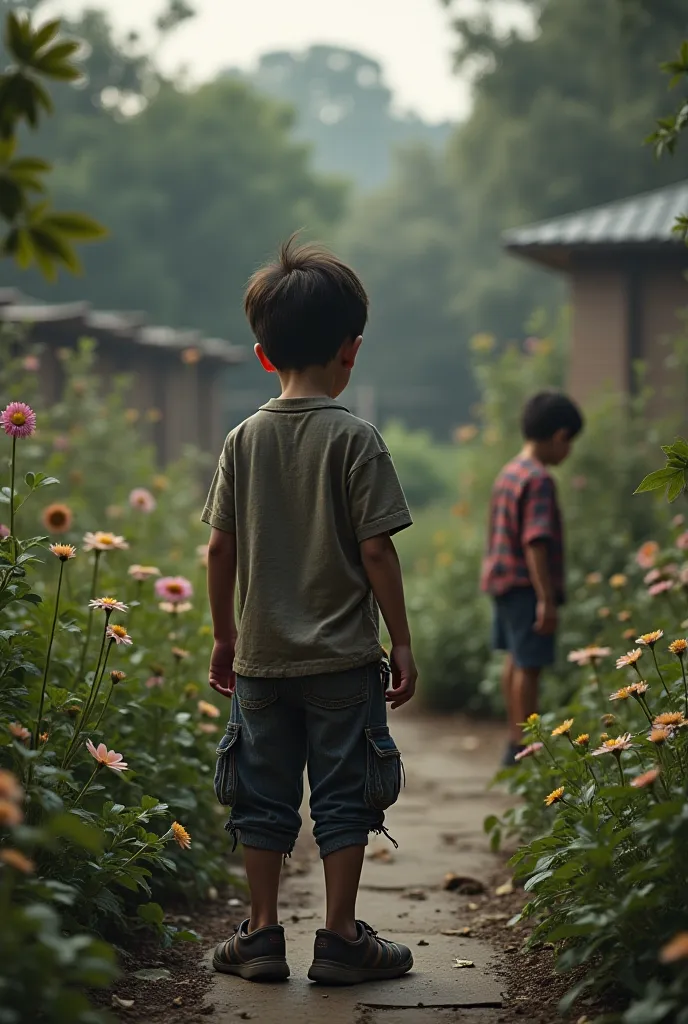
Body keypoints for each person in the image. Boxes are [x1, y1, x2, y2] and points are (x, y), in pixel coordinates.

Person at [201, 237, 417, 985]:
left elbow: (218, 552)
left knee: (261, 799)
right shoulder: (357, 440)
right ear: (350, 350)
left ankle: (261, 937)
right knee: (343, 799)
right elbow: (378, 553)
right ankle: (339, 937)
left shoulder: (241, 439)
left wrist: (226, 637)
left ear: (263, 356)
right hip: (342, 663)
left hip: (261, 660)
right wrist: (404, 642)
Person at [480, 391, 584, 766]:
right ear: (559, 436)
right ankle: (528, 750)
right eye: (569, 442)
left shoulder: (510, 472)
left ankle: (514, 742)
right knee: (530, 667)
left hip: (502, 582)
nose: (568, 451)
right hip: (527, 587)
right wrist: (546, 598)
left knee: (515, 659)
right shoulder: (539, 479)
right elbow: (535, 541)